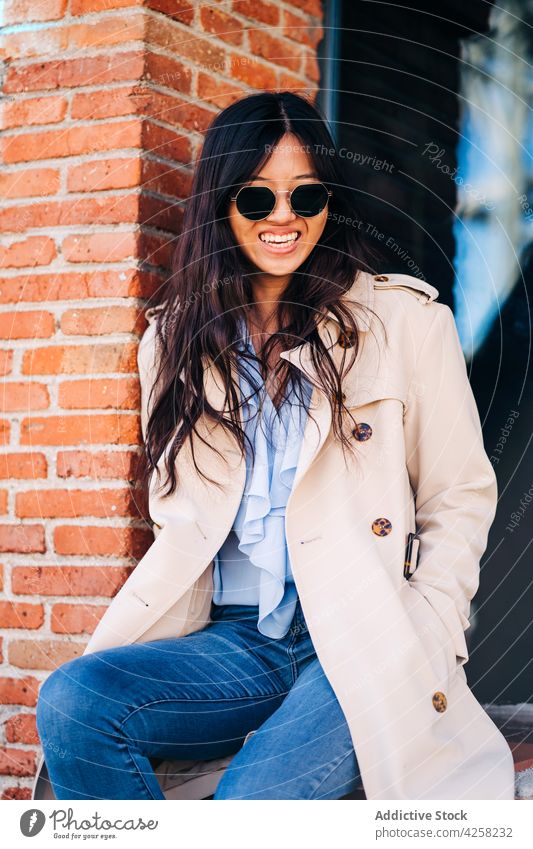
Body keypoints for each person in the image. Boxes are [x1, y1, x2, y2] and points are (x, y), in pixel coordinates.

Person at [34, 91, 515, 801]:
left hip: (363, 632)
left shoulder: (405, 321)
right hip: (235, 642)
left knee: (246, 813)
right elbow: (180, 511)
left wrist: (427, 625)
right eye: (256, 198)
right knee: (75, 703)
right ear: (221, 205)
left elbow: (459, 494)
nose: (284, 217)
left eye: (306, 195)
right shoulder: (173, 341)